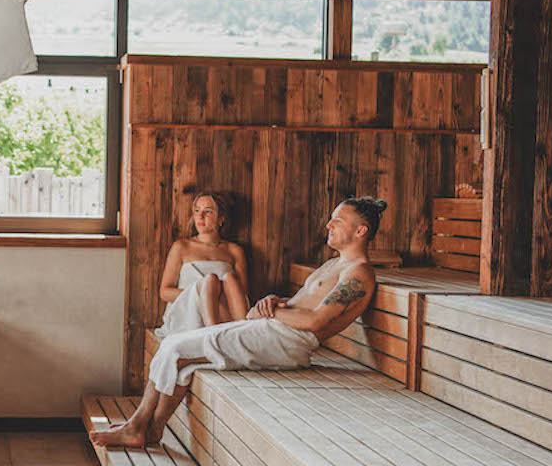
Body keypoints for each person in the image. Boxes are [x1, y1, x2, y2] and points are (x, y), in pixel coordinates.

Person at [91, 197, 387, 449]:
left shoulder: (358, 273)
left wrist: (269, 313)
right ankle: (153, 428)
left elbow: (316, 321)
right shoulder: (335, 264)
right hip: (276, 330)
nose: (328, 225)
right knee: (185, 357)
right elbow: (304, 303)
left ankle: (136, 427)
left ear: (360, 230)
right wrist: (274, 301)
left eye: (337, 220)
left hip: (289, 341)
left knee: (176, 348)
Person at [154, 192, 249, 338]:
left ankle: (244, 333)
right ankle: (212, 336)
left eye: (208, 211)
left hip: (224, 312)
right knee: (210, 281)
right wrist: (199, 293)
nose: (200, 216)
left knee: (229, 278)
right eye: (197, 211)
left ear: (221, 219)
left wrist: (216, 295)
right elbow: (164, 292)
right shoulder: (181, 247)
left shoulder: (234, 251)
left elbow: (242, 294)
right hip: (189, 312)